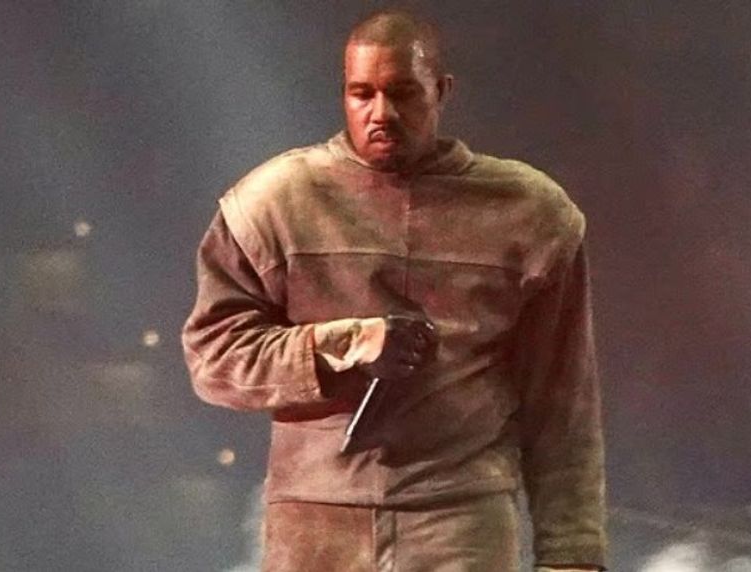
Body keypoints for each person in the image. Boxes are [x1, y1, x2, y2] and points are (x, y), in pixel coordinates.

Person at [181, 9, 606, 572]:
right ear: (343, 93)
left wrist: (573, 556)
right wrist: (345, 345)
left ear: (442, 90)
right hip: (316, 522)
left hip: (458, 521)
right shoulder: (271, 204)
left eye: (402, 93)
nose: (381, 113)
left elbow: (562, 402)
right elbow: (213, 358)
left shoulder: (531, 214)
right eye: (362, 94)